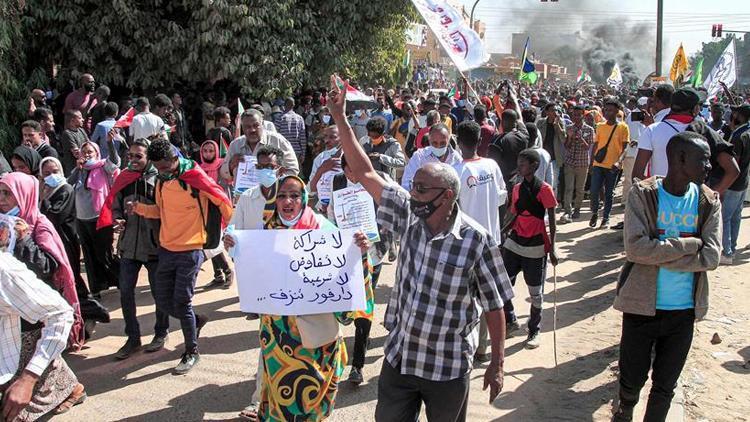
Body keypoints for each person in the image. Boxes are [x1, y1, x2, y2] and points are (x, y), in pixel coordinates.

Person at [329, 77, 512, 422]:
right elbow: (367, 171)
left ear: (446, 196)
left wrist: (497, 364)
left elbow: (495, 305)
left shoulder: (477, 241)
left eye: (422, 189)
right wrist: (339, 117)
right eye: (413, 187)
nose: (413, 194)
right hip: (400, 361)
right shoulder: (407, 214)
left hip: (448, 369)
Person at [228, 173, 371, 421]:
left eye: (294, 195)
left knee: (312, 402)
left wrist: (359, 253)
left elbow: (347, 280)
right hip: (277, 339)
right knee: (279, 401)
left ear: (304, 198)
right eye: (282, 195)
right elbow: (255, 275)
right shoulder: (265, 232)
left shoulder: (325, 230)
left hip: (317, 340)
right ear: (274, 199)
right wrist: (236, 248)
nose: (288, 201)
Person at [612, 132, 721, 422]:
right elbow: (636, 249)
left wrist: (660, 251)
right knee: (631, 381)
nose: (709, 166)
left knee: (664, 387)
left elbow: (711, 257)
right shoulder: (644, 194)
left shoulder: (708, 202)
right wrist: (689, 244)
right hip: (640, 308)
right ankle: (624, 410)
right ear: (680, 158)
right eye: (704, 160)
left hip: (683, 312)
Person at [127, 139, 233, 374]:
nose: (163, 171)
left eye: (166, 166)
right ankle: (195, 321)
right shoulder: (162, 181)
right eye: (158, 168)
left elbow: (223, 201)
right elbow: (159, 211)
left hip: (191, 250)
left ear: (175, 158)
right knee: (164, 301)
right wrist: (140, 209)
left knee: (182, 302)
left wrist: (234, 230)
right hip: (166, 249)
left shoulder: (195, 176)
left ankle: (191, 351)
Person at [222, 145, 283, 421]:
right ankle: (260, 399)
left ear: (279, 169)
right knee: (268, 337)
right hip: (262, 280)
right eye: (260, 167)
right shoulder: (247, 197)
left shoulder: (292, 195)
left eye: (269, 167)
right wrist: (230, 239)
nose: (264, 171)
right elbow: (234, 230)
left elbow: (315, 230)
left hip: (289, 278)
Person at [96, 139, 170, 359]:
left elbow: (167, 210)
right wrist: (117, 218)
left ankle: (161, 332)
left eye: (139, 156)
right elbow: (114, 204)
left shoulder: (160, 179)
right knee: (126, 292)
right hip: (129, 246)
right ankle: (133, 338)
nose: (133, 160)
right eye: (130, 155)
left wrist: (144, 209)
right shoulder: (124, 177)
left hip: (154, 246)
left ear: (148, 158)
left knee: (160, 293)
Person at [0, 172, 86, 351]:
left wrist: (23, 240)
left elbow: (47, 267)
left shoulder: (39, 226)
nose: (1, 198)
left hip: (33, 312)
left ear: (23, 194)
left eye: (8, 193)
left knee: (35, 364)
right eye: (0, 192)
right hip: (9, 306)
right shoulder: (3, 222)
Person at [0, 253, 86, 421]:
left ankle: (72, 389)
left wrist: (28, 379)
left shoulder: (5, 270)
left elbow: (60, 314)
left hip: (25, 336)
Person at [327, 155, 388, 385]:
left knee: (364, 308)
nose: (355, 175)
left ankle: (357, 366)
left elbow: (390, 215)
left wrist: (375, 238)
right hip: (345, 256)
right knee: (344, 308)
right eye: (350, 170)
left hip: (372, 255)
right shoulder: (338, 183)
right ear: (344, 171)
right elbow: (332, 215)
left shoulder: (378, 181)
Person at [452, 120, 508, 361]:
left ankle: (467, 344)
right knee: (488, 295)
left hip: (465, 243)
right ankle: (482, 348)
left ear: (457, 141)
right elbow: (500, 198)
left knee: (464, 296)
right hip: (492, 240)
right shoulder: (492, 166)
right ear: (479, 140)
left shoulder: (456, 171)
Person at [634, 88, 739, 198]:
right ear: (695, 109)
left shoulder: (652, 130)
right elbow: (733, 170)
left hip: (660, 201)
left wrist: (653, 198)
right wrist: (709, 197)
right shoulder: (704, 131)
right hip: (692, 204)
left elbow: (637, 175)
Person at [501, 149, 559, 348]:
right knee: (502, 283)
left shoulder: (544, 189)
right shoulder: (517, 188)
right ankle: (510, 319)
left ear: (534, 166)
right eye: (519, 163)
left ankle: (534, 329)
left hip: (536, 244)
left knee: (536, 292)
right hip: (515, 241)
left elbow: (551, 220)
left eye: (523, 164)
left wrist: (552, 248)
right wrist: (504, 231)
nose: (519, 167)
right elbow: (514, 214)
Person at [38, 157, 95, 315]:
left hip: (67, 240)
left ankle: (91, 309)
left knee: (72, 276)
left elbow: (55, 216)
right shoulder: (44, 192)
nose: (51, 176)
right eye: (47, 173)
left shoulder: (66, 189)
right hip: (52, 243)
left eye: (55, 172)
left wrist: (44, 199)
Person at [69, 141, 121, 297]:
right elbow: (68, 184)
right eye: (84, 152)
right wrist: (77, 169)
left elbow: (115, 162)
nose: (86, 155)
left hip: (99, 217)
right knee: (89, 255)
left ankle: (122, 279)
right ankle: (96, 288)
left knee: (103, 254)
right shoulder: (79, 170)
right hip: (81, 219)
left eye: (90, 152)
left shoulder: (103, 166)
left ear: (96, 153)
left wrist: (110, 143)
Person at [221, 109, 299, 183]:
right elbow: (223, 172)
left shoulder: (278, 141)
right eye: (247, 127)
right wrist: (231, 165)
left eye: (256, 125)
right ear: (242, 127)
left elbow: (293, 169)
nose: (252, 130)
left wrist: (275, 182)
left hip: (272, 195)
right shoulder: (235, 145)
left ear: (262, 124)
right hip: (243, 195)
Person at [590, 98, 630, 229]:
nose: (607, 112)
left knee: (609, 193)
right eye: (606, 110)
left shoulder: (623, 127)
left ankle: (606, 218)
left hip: (613, 166)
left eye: (610, 110)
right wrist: (591, 162)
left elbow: (625, 148)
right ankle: (595, 212)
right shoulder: (600, 126)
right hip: (598, 164)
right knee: (594, 190)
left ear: (617, 111)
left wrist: (619, 162)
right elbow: (595, 145)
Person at [198, 140, 232, 287]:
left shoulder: (222, 167)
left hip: (219, 207)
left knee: (215, 240)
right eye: (205, 151)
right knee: (210, 241)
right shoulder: (199, 169)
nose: (208, 154)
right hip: (204, 209)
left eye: (211, 151)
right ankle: (218, 274)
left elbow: (227, 186)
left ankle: (227, 272)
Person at [719, 105, 750, 264]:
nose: (732, 115)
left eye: (735, 113)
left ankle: (727, 252)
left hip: (734, 182)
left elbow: (734, 164)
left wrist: (723, 184)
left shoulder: (739, 136)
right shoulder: (745, 132)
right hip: (743, 182)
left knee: (725, 218)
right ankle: (732, 247)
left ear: (740, 116)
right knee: (735, 217)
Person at [401, 123, 461, 191]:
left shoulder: (456, 159)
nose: (438, 146)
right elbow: (406, 183)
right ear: (429, 140)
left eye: (443, 143)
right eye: (434, 143)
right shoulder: (419, 157)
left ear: (449, 140)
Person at [561, 105, 594, 222]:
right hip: (570, 162)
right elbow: (566, 146)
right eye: (574, 115)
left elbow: (587, 147)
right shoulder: (569, 127)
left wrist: (580, 138)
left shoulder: (589, 129)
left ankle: (577, 209)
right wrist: (569, 137)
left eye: (578, 115)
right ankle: (567, 211)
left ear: (583, 115)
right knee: (569, 188)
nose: (576, 117)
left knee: (580, 189)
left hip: (582, 163)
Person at [362, 117, 406, 183]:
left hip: (387, 183)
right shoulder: (364, 142)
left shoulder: (393, 144)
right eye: (370, 136)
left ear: (383, 133)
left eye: (375, 137)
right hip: (371, 182)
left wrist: (381, 157)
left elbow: (402, 163)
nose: (372, 139)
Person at [536, 102, 567, 195]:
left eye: (556, 110)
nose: (555, 112)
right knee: (541, 181)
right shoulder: (541, 122)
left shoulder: (560, 122)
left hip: (554, 158)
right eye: (552, 110)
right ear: (547, 112)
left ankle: (552, 204)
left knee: (553, 182)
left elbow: (563, 139)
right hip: (542, 157)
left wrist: (557, 125)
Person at [273, 97, 307, 165]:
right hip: (296, 151)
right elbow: (302, 137)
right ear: (294, 105)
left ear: (284, 105)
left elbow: (274, 135)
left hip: (282, 150)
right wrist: (303, 153)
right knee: (295, 172)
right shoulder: (299, 119)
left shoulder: (279, 118)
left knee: (283, 173)